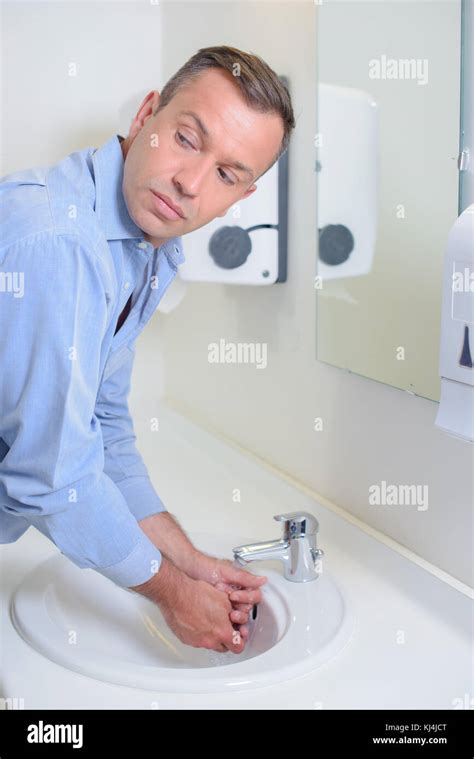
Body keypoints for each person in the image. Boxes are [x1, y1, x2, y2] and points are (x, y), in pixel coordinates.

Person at [0, 45, 295, 653]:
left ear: (240, 199)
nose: (189, 183)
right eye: (187, 138)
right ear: (146, 117)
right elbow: (52, 477)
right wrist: (175, 596)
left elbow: (103, 427)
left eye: (226, 174)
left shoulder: (144, 252)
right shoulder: (61, 243)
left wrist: (189, 563)